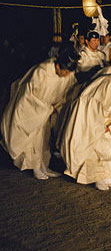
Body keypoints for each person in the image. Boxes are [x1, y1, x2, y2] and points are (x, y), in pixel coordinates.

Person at [1, 49, 80, 179]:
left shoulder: (68, 73)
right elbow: (29, 96)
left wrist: (57, 106)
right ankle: (35, 167)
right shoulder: (41, 71)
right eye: (65, 71)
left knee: (45, 137)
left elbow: (67, 91)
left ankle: (43, 164)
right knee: (34, 137)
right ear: (58, 65)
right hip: (35, 110)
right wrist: (45, 108)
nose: (66, 75)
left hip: (48, 110)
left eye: (69, 72)